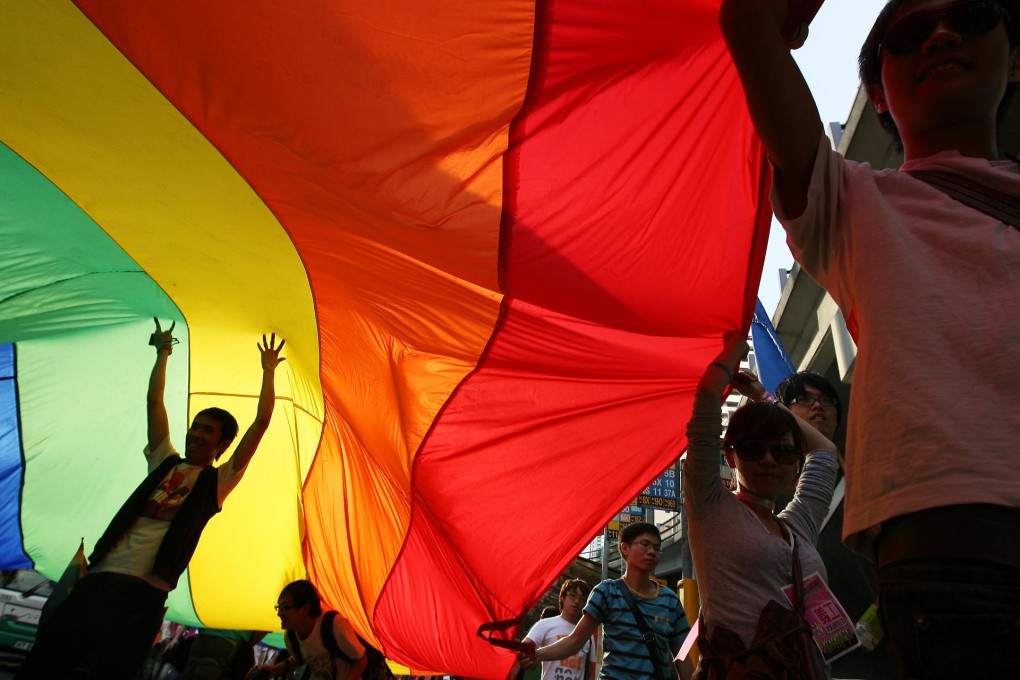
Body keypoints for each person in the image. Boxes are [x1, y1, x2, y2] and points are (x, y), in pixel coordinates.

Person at [719, 0, 1020, 676]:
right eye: (908, 35)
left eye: (968, 18)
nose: (941, 34)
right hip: (960, 553)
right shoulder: (850, 204)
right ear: (878, 94)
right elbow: (745, 20)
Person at [17, 319, 286, 680]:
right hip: (98, 579)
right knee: (44, 666)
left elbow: (262, 423)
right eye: (195, 426)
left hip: (141, 597)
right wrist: (163, 353)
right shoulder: (164, 462)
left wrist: (268, 371)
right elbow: (154, 401)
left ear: (222, 445)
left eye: (207, 430)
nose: (196, 433)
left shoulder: (217, 482)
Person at [684, 337, 839, 678]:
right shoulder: (711, 506)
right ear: (730, 456)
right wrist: (728, 354)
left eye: (783, 452)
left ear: (796, 463)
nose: (769, 460)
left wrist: (763, 396)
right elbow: (707, 401)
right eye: (754, 449)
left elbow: (825, 453)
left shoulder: (799, 525)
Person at [773, 372, 895, 679]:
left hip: (876, 637)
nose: (819, 407)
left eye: (827, 400)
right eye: (804, 400)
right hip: (805, 647)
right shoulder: (768, 483)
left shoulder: (866, 475)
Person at [523, 523, 694, 680]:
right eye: (645, 544)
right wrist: (538, 654)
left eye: (657, 547)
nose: (652, 551)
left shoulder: (670, 600)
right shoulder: (606, 592)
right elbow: (576, 640)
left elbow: (682, 654)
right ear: (625, 548)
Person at [248, 579, 365, 680]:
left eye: (284, 607)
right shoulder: (291, 637)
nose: (279, 613)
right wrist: (273, 670)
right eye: (278, 608)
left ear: (305, 608)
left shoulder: (334, 625)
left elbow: (361, 660)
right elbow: (302, 658)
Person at [523, 579, 596, 680]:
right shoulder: (545, 624)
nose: (577, 601)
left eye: (583, 599)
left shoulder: (587, 634)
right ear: (562, 597)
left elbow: (590, 673)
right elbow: (526, 644)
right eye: (573, 596)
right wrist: (525, 652)